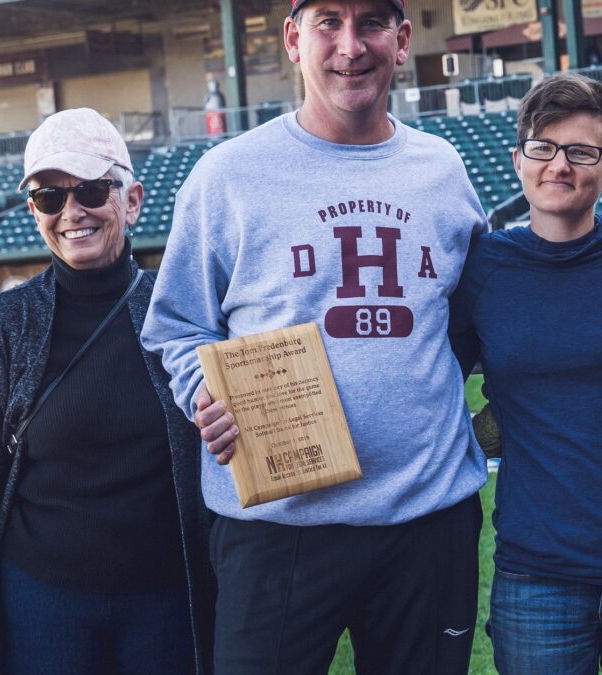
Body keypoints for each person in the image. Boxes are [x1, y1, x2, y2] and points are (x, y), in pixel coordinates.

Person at [139, 0, 486, 672]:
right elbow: (176, 324)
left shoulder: (442, 169)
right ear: (294, 40)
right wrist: (206, 391)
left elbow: (466, 317)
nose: (350, 46)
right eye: (328, 22)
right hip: (278, 524)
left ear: (402, 40)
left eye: (372, 23)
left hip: (427, 516)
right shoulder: (228, 175)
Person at [0, 108, 214, 675]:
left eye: (91, 190)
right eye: (49, 197)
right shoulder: (4, 324)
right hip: (42, 610)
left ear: (132, 201)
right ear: (35, 212)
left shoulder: (182, 309)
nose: (71, 212)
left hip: (168, 606)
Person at [449, 73, 602, 674]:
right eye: (543, 147)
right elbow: (429, 377)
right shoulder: (483, 268)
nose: (559, 165)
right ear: (519, 159)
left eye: (582, 152)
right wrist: (492, 420)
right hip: (538, 573)